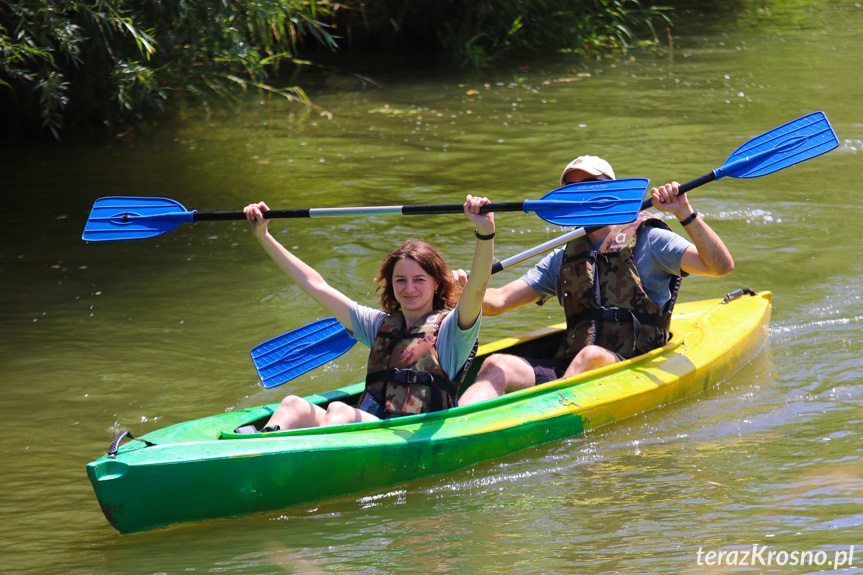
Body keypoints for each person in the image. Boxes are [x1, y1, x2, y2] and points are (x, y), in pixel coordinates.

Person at [458, 155, 733, 406]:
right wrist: (453, 285)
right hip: (573, 370)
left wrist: (685, 212)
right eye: (572, 188)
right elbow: (499, 301)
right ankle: (461, 427)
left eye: (590, 184)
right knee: (496, 364)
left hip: (632, 365)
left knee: (590, 357)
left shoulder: (651, 240)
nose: (581, 192)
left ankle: (550, 422)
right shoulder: (563, 256)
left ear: (612, 189)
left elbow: (720, 266)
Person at [243, 195, 495, 431]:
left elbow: (476, 288)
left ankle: (318, 471)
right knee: (292, 405)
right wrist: (264, 235)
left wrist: (485, 232)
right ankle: (258, 451)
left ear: (437, 284)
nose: (409, 288)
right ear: (391, 284)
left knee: (339, 411)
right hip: (373, 426)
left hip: (412, 434)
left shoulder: (452, 332)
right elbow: (315, 285)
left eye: (419, 279)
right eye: (400, 280)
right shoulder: (377, 325)